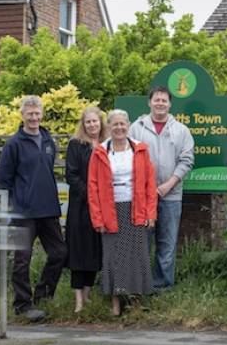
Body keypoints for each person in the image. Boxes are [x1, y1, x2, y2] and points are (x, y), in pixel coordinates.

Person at [0, 95, 68, 322]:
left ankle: (42, 297)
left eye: (37, 113)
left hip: (48, 209)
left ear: (42, 114)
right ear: (22, 115)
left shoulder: (48, 141)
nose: (34, 118)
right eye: (30, 114)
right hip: (25, 212)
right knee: (22, 260)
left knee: (60, 253)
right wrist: (12, 208)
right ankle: (22, 305)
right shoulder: (13, 144)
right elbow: (4, 180)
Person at [88, 109, 157, 317]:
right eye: (115, 124)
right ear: (108, 127)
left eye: (122, 124)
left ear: (128, 126)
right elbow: (92, 188)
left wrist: (150, 213)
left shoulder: (140, 150)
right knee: (113, 256)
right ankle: (116, 302)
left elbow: (149, 184)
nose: (119, 128)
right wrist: (98, 219)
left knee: (137, 255)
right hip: (110, 211)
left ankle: (136, 301)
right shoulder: (99, 152)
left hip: (136, 209)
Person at [128, 86, 195, 291]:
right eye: (156, 100)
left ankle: (163, 287)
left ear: (170, 104)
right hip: (142, 198)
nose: (160, 103)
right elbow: (127, 158)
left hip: (171, 196)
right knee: (141, 243)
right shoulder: (136, 128)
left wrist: (168, 185)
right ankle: (141, 286)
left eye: (164, 100)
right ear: (149, 102)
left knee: (167, 244)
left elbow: (186, 160)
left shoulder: (181, 130)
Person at [65, 106, 107, 313]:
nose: (92, 125)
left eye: (95, 121)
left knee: (94, 250)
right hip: (81, 206)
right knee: (79, 251)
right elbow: (71, 175)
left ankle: (88, 295)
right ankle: (78, 300)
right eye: (88, 122)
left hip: (102, 207)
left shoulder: (107, 144)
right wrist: (90, 196)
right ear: (83, 124)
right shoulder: (76, 144)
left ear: (101, 123)